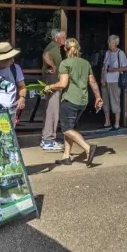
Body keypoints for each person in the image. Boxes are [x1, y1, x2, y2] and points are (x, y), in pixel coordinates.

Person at [44, 38, 102, 167]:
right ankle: (66, 156)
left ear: (65, 49)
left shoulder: (65, 63)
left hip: (70, 99)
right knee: (70, 127)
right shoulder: (86, 63)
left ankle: (88, 148)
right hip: (83, 101)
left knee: (66, 129)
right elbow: (92, 82)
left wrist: (49, 87)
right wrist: (98, 97)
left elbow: (63, 84)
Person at [40, 29, 67, 152]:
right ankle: (48, 139)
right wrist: (53, 66)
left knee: (52, 109)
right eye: (63, 37)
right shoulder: (53, 47)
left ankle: (48, 137)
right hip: (52, 81)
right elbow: (45, 56)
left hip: (52, 80)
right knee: (53, 109)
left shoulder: (54, 46)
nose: (65, 39)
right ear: (56, 38)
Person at [101, 35, 127, 130]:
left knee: (115, 101)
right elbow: (104, 67)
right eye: (109, 42)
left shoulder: (120, 53)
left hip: (115, 80)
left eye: (112, 43)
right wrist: (102, 79)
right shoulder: (107, 53)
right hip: (106, 80)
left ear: (116, 43)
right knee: (105, 101)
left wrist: (114, 69)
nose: (110, 45)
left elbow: (126, 67)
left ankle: (117, 124)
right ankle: (107, 122)